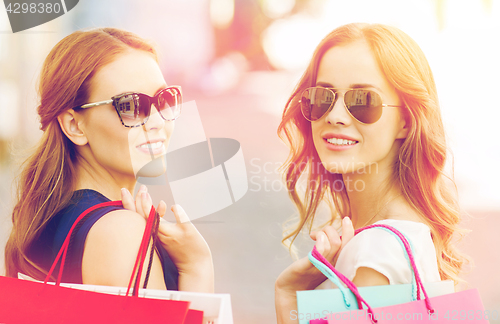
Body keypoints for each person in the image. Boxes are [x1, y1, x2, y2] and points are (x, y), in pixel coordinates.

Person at [274, 23, 466, 322]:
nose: (335, 116)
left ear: (405, 121)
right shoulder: (404, 233)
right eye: (322, 97)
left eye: (362, 101)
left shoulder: (375, 251)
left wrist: (287, 296)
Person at [4, 27, 213, 293]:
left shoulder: (43, 216)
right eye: (131, 106)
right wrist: (196, 265)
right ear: (75, 126)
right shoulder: (121, 232)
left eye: (164, 99)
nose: (157, 122)